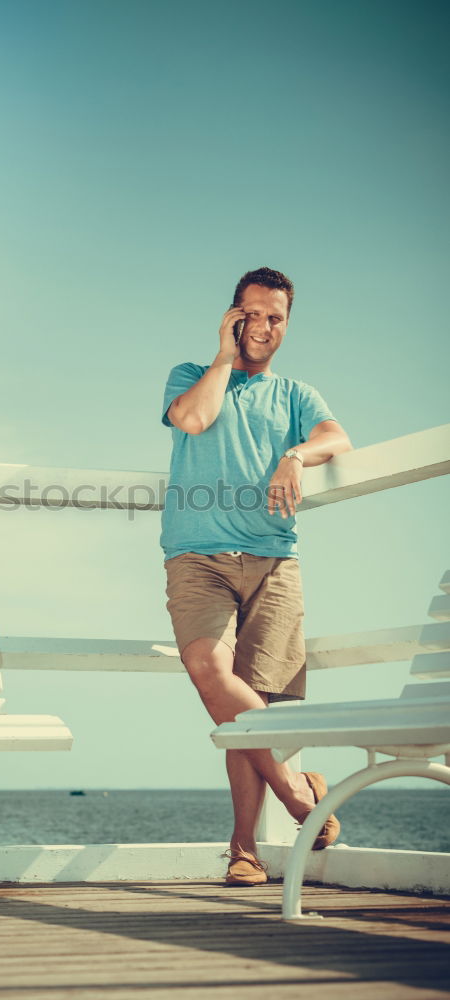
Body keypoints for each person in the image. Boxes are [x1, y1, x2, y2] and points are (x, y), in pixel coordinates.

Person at [160, 266, 352, 886]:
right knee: (209, 672)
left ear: (286, 324)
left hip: (275, 560)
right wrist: (223, 356)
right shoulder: (191, 376)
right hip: (199, 559)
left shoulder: (297, 395)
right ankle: (302, 798)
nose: (263, 327)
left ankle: (244, 849)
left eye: (276, 317)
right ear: (232, 315)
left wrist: (294, 454)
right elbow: (193, 420)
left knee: (254, 706)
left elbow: (336, 437)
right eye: (252, 314)